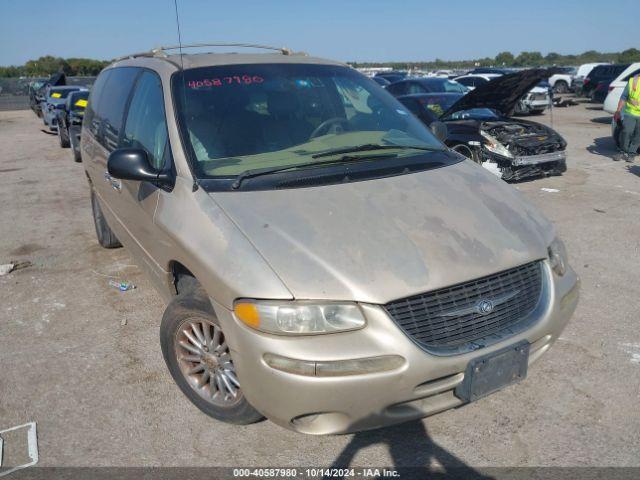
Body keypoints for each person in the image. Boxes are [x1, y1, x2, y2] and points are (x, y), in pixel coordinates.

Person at [615, 74, 640, 162]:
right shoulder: (633, 81)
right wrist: (618, 111)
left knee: (638, 136)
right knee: (626, 131)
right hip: (630, 113)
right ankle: (622, 150)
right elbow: (624, 96)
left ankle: (632, 154)